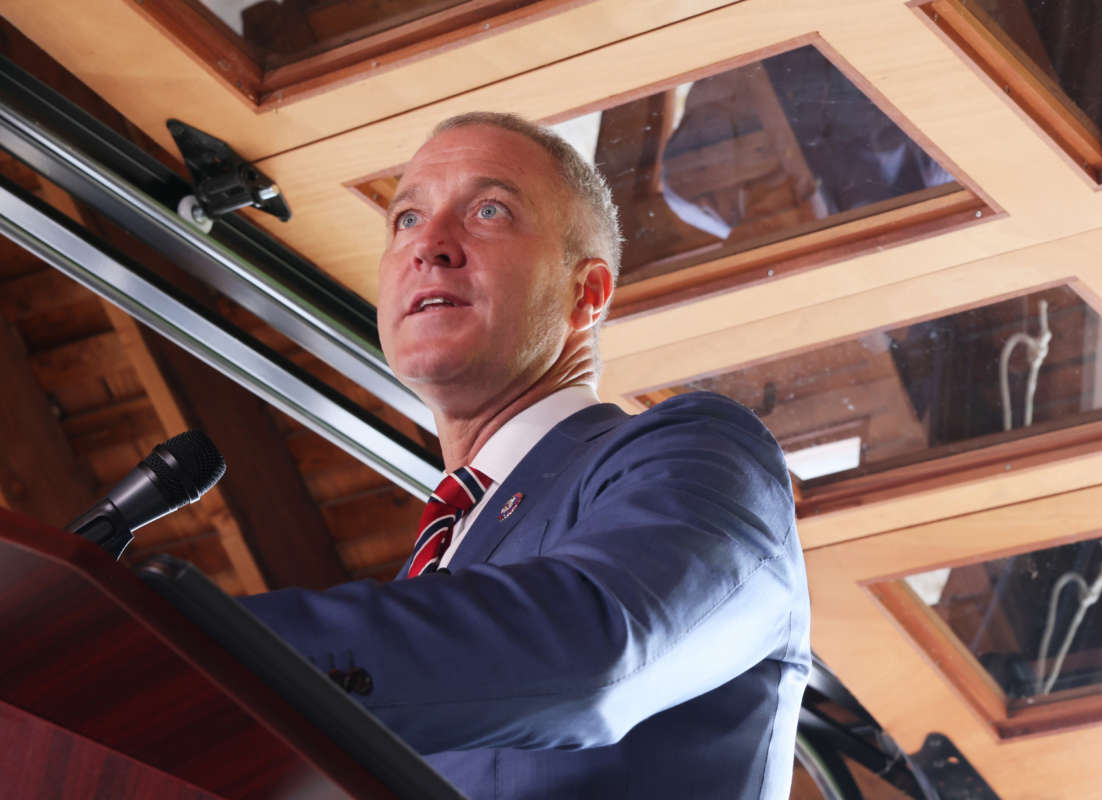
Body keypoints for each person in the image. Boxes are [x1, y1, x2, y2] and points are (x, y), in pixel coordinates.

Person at [241, 111, 811, 799]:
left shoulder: (702, 453)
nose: (431, 245)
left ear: (587, 294)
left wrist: (203, 651)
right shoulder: (434, 573)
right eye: (406, 219)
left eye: (489, 211)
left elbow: (598, 650)